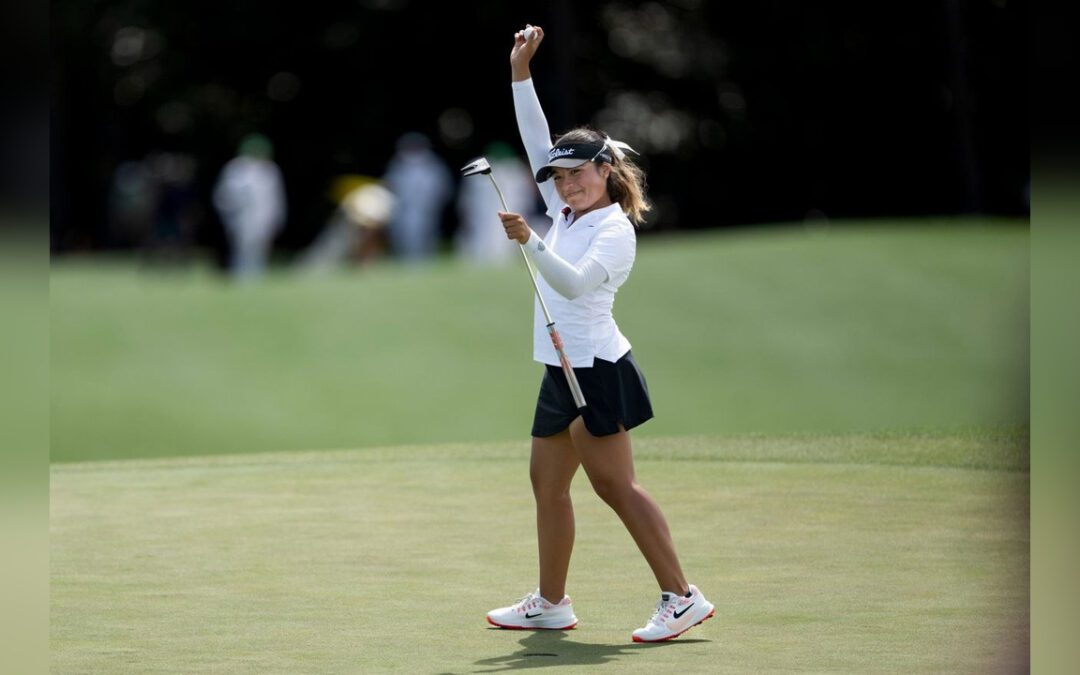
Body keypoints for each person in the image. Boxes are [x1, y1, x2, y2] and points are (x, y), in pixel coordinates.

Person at [484, 25, 715, 643]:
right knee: (547, 483)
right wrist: (520, 72)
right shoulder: (565, 208)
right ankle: (552, 602)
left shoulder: (614, 230)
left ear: (606, 170)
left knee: (615, 487)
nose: (564, 184)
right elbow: (536, 137)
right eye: (558, 177)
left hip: (597, 371)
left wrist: (529, 240)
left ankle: (683, 596)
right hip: (560, 369)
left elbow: (576, 286)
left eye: (577, 174)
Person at [212, 133, 287, 280]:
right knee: (241, 248)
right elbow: (224, 196)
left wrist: (278, 216)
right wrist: (229, 215)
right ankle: (240, 277)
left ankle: (256, 277)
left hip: (265, 217)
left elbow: (276, 197)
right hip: (241, 217)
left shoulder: (270, 170)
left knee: (260, 248)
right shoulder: (236, 169)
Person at [455, 141, 542, 265]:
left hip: (505, 215)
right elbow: (467, 200)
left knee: (502, 248)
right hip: (483, 217)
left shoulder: (515, 170)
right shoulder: (481, 173)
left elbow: (525, 198)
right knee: (483, 249)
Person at [382, 132, 453, 262]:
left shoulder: (433, 166)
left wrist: (432, 205)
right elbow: (389, 186)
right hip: (403, 210)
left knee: (426, 237)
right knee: (403, 237)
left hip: (426, 210)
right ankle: (406, 262)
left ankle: (424, 262)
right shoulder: (398, 166)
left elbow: (441, 188)